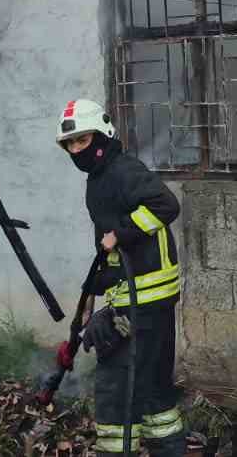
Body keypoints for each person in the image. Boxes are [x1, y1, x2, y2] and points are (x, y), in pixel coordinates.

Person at [53, 98, 186, 456]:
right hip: (142, 296)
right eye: (70, 144)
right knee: (153, 386)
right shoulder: (99, 178)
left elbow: (166, 205)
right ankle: (168, 447)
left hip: (144, 297)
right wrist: (90, 295)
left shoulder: (122, 170)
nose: (76, 150)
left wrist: (122, 232)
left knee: (116, 386)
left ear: (103, 135)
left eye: (83, 140)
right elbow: (108, 251)